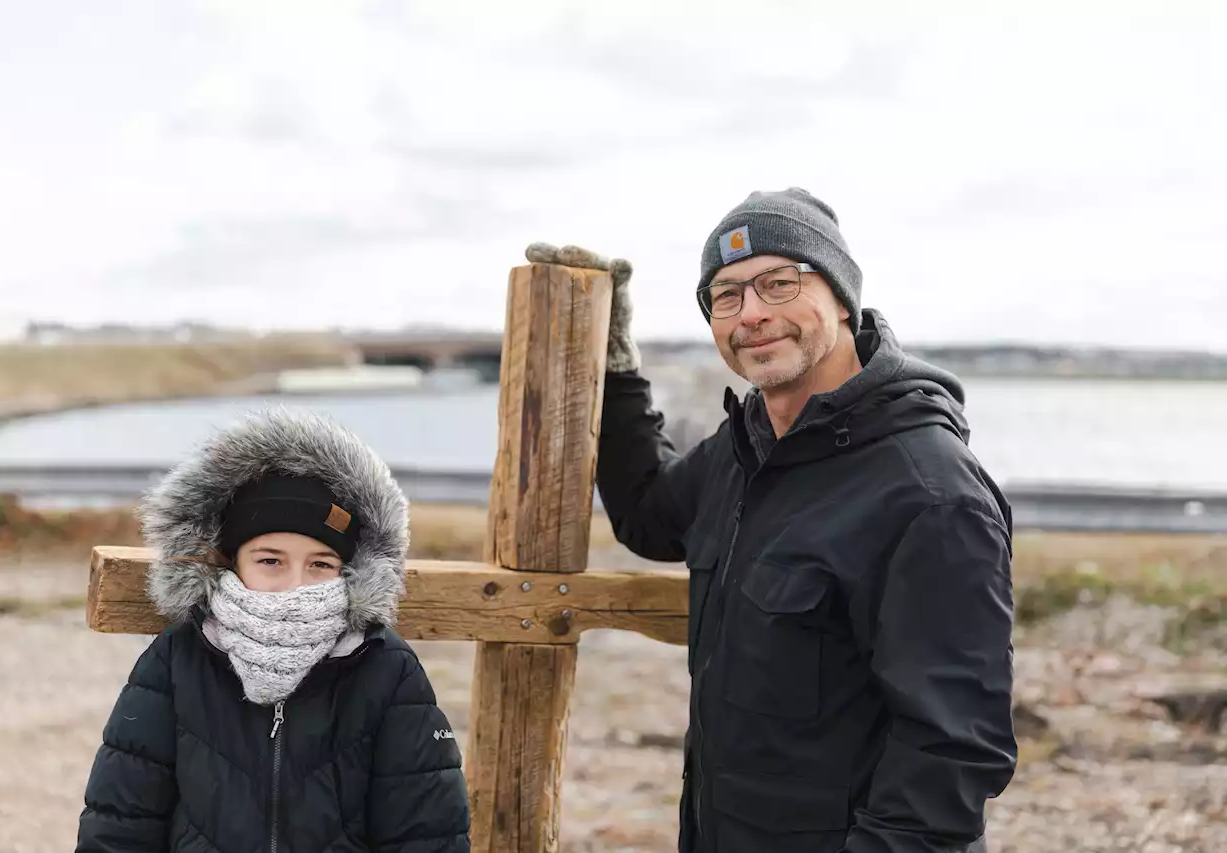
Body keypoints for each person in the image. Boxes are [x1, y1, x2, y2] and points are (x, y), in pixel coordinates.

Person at [526, 187, 1018, 853]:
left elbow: (953, 750)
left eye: (778, 283)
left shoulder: (928, 493)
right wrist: (612, 370)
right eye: (725, 296)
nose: (751, 314)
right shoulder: (749, 447)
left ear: (842, 298)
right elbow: (648, 511)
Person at [75, 407, 470, 852]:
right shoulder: (178, 659)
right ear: (231, 562)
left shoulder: (385, 668)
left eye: (320, 564)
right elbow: (121, 820)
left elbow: (426, 831)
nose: (295, 584)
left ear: (350, 570)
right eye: (269, 560)